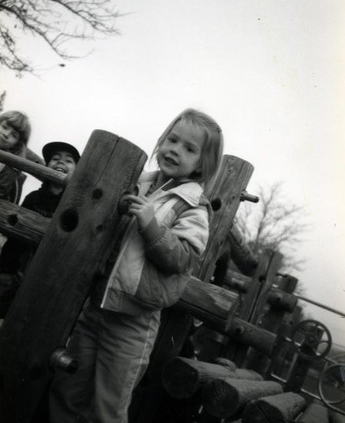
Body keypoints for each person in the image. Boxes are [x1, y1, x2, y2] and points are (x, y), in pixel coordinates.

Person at [49, 108, 224, 423]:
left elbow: (183, 258)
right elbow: (96, 194)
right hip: (94, 309)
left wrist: (151, 225)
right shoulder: (137, 181)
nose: (175, 149)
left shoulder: (193, 206)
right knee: (68, 388)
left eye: (189, 148)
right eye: (172, 139)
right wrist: (80, 182)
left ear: (202, 165)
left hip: (134, 323)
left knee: (109, 406)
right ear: (161, 140)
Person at [0, 141, 80, 314]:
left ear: (77, 170)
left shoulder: (77, 206)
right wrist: (6, 270)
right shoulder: (33, 198)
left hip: (54, 277)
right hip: (21, 272)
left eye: (68, 160)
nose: (60, 162)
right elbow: (15, 240)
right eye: (55, 159)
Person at [0, 110, 31, 202]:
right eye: (4, 127)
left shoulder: (10, 166)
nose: (6, 134)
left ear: (17, 144)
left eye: (14, 135)